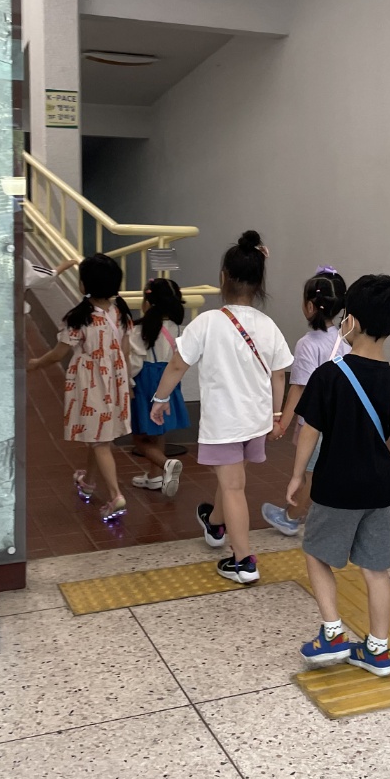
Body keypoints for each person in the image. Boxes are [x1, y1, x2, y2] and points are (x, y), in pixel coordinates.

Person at [290, 274, 390, 677]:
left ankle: (333, 633)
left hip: (335, 488)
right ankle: (378, 650)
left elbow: (309, 432)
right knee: (376, 569)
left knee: (317, 554)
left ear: (350, 321)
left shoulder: (329, 375)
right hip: (380, 491)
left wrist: (297, 476)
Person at [149, 231, 292, 584]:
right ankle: (214, 523)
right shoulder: (269, 326)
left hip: (225, 423)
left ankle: (243, 562)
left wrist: (160, 399)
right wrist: (276, 416)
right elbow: (279, 375)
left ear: (223, 278)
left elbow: (177, 365)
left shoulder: (207, 323)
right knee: (232, 477)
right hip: (255, 421)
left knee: (233, 487)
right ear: (259, 283)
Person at [27, 253, 134, 522]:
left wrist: (36, 364)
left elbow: (58, 353)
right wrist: (128, 382)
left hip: (91, 384)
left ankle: (115, 496)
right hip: (116, 380)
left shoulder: (78, 318)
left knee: (99, 441)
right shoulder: (121, 312)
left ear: (84, 285)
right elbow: (125, 351)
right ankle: (87, 482)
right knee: (99, 436)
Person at [263, 267, 350, 536]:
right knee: (326, 470)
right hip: (342, 420)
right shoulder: (348, 340)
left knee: (312, 473)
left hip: (316, 423)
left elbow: (299, 389)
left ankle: (291, 517)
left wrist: (281, 423)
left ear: (310, 306)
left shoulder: (307, 344)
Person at [128, 276, 187, 496]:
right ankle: (154, 477)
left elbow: (133, 364)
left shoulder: (139, 330)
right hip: (168, 380)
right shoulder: (179, 329)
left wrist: (127, 383)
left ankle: (165, 465)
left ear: (148, 302)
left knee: (139, 437)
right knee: (158, 429)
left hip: (146, 382)